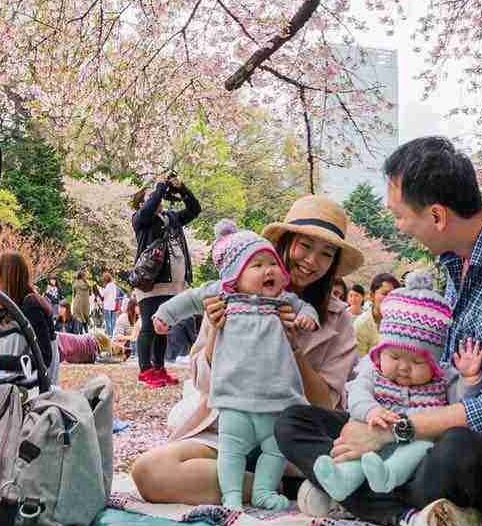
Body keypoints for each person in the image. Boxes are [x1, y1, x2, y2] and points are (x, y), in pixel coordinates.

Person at [276, 137, 482, 526]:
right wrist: (377, 417)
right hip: (419, 437)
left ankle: (358, 497)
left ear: (436, 215)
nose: (398, 226)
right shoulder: (455, 266)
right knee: (295, 422)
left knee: (454, 451)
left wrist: (392, 432)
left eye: (400, 216)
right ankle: (410, 514)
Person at [130, 195, 363, 506]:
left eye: (326, 253)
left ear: (334, 262)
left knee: (347, 466)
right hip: (229, 425)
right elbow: (203, 383)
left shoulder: (338, 320)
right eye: (304, 246)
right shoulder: (231, 295)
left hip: (288, 438)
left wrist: (293, 348)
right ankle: (265, 487)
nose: (311, 261)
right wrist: (215, 334)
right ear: (285, 244)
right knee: (150, 471)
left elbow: (325, 405)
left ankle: (274, 479)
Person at [153, 224, 319, 510]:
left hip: (277, 402)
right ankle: (231, 495)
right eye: (256, 265)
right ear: (234, 276)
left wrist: (307, 319)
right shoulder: (222, 297)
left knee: (275, 450)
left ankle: (263, 491)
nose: (268, 270)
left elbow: (305, 309)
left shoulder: (283, 301)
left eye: (272, 264)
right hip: (234, 399)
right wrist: (165, 315)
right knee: (231, 451)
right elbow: (191, 299)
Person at [310, 271, 482, 503]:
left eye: (417, 362)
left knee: (419, 449)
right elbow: (357, 393)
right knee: (348, 445)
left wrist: (469, 379)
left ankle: (388, 477)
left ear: (433, 363)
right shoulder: (372, 371)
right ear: (380, 352)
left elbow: (462, 405)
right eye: (394, 356)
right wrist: (371, 411)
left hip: (415, 442)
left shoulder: (442, 380)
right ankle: (341, 481)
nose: (404, 367)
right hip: (368, 436)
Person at [130, 173, 201, 388]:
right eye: (152, 197)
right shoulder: (141, 218)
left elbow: (194, 210)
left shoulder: (171, 217)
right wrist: (159, 186)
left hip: (173, 284)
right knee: (149, 327)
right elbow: (149, 208)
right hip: (150, 283)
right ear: (142, 203)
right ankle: (145, 371)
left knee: (163, 325)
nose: (158, 199)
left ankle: (159, 368)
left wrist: (181, 188)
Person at [0, 251, 56, 382]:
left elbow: (44, 358)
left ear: (7, 278)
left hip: (35, 388)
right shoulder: (16, 306)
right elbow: (17, 346)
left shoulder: (31, 305)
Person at [354, 272, 398, 357]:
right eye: (385, 294)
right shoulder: (361, 324)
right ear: (372, 295)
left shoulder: (399, 321)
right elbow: (359, 362)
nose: (390, 298)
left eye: (393, 295)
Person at [99, 271, 120, 336]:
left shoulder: (108, 286)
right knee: (112, 321)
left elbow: (103, 295)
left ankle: (109, 335)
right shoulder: (114, 285)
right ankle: (112, 334)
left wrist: (100, 289)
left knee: (108, 321)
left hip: (107, 306)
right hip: (113, 305)